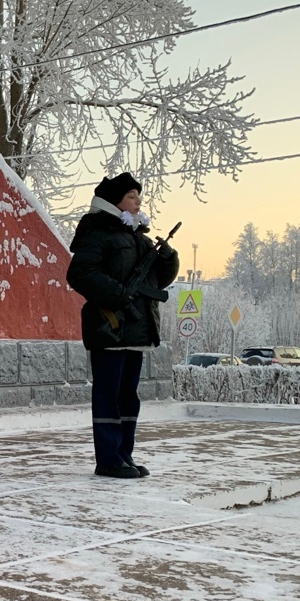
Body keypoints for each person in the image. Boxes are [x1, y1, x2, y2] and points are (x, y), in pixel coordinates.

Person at [66, 172, 179, 479]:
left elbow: (156, 281)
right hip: (110, 325)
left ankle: (123, 456)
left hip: (137, 328)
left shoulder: (137, 238)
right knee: (109, 394)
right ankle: (108, 458)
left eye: (138, 197)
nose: (138, 201)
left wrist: (168, 260)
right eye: (131, 196)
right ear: (115, 201)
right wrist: (117, 294)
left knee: (128, 396)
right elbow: (80, 273)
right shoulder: (99, 233)